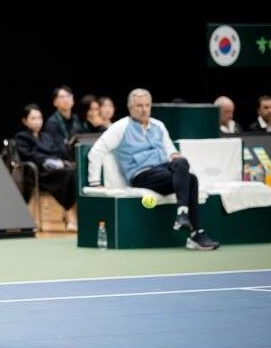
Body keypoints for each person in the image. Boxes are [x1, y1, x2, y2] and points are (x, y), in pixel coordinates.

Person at [87, 88, 219, 251]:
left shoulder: (159, 125)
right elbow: (96, 151)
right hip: (142, 175)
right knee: (190, 180)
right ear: (130, 108)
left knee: (185, 167)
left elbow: (171, 152)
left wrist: (176, 158)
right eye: (139, 106)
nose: (144, 109)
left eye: (147, 105)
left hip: (164, 171)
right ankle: (195, 232)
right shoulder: (120, 127)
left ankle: (184, 217)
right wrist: (94, 182)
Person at [15, 104, 78, 231]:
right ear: (25, 121)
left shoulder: (46, 137)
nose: (37, 121)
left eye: (39, 118)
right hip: (38, 172)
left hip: (53, 171)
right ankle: (70, 215)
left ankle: (71, 213)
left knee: (72, 172)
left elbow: (56, 153)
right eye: (33, 118)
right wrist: (47, 160)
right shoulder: (22, 137)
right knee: (66, 174)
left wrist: (57, 162)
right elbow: (29, 155)